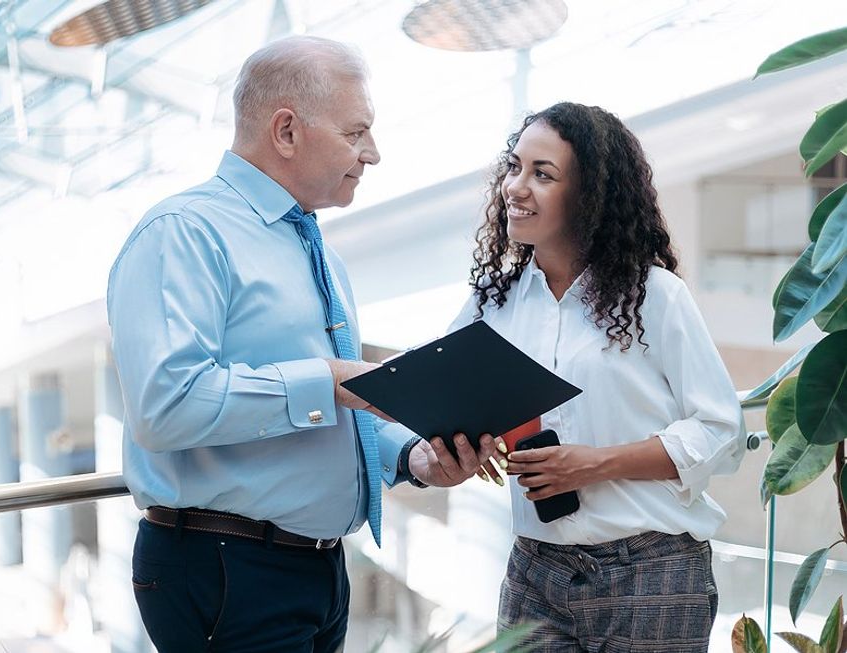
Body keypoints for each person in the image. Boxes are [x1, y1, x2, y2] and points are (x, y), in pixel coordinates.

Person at [106, 36, 495, 653]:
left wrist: (412, 457)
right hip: (227, 568)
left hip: (314, 570)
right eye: (356, 132)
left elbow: (328, 414)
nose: (373, 154)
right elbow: (165, 405)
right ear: (285, 131)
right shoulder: (183, 233)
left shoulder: (315, 250)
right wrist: (331, 380)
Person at [454, 102, 744, 652]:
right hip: (534, 573)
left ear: (588, 195)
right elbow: (443, 383)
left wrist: (593, 465)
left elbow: (720, 432)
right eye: (514, 167)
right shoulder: (494, 300)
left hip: (650, 575)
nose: (515, 187)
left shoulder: (655, 296)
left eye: (543, 174)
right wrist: (472, 433)